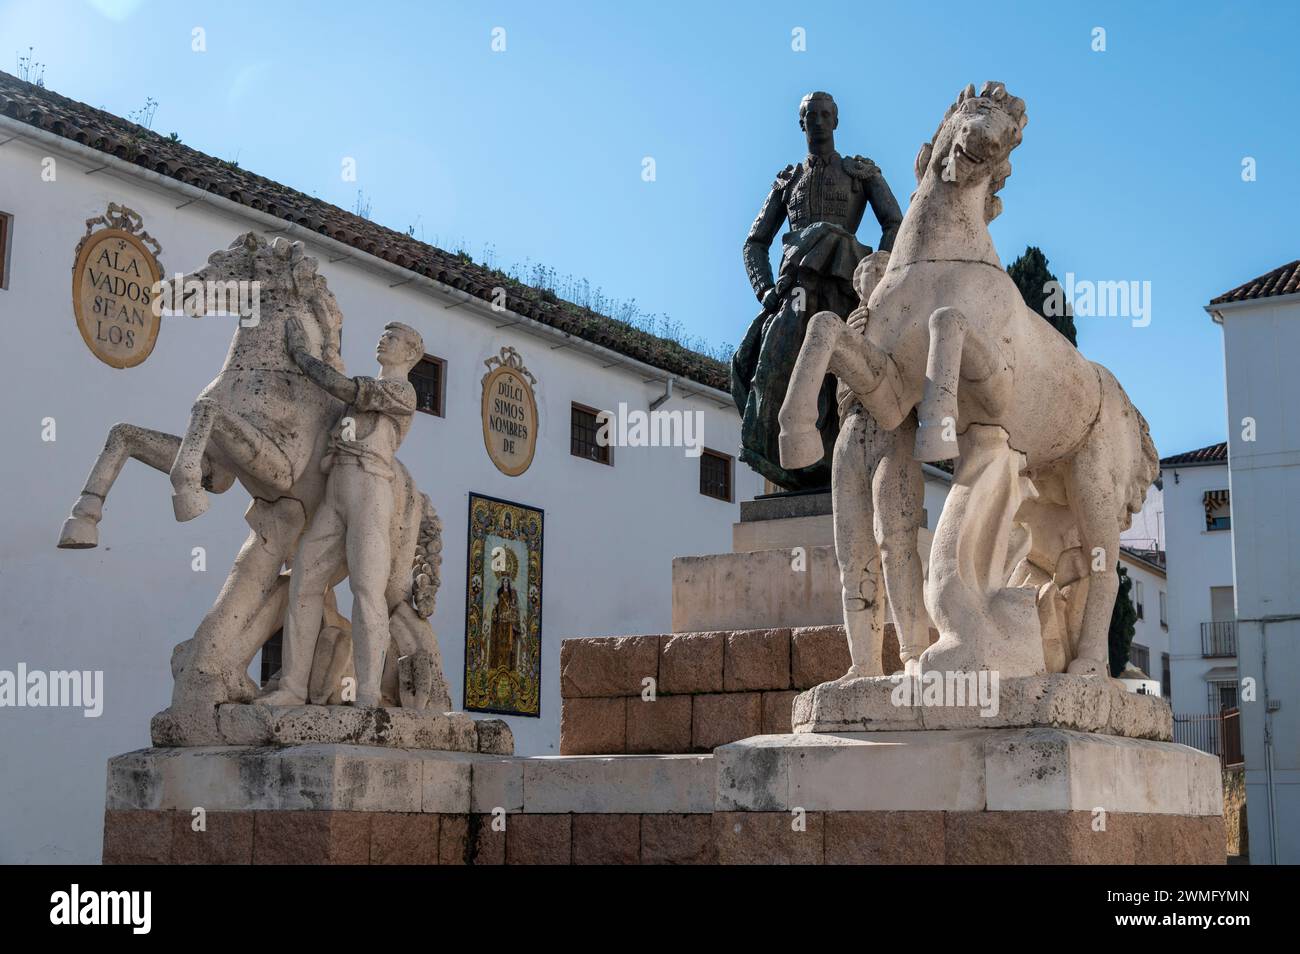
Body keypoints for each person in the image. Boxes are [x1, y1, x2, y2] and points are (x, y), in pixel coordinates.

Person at [733, 91, 903, 490]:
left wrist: (875, 282)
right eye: (811, 115)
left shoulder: (862, 174)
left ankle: (839, 462)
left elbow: (895, 223)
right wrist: (765, 292)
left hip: (846, 291)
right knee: (770, 365)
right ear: (801, 123)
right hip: (796, 291)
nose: (819, 121)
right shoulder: (787, 181)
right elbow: (754, 242)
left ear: (836, 121)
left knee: (843, 379)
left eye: (826, 115)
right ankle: (785, 459)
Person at [259, 319, 424, 707]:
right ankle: (293, 687)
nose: (383, 340)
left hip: (371, 489)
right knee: (304, 580)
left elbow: (344, 387)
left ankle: (367, 693)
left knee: (367, 590)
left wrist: (302, 357)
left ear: (412, 353)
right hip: (337, 489)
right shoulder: (361, 397)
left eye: (394, 338)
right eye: (383, 334)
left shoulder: (402, 392)